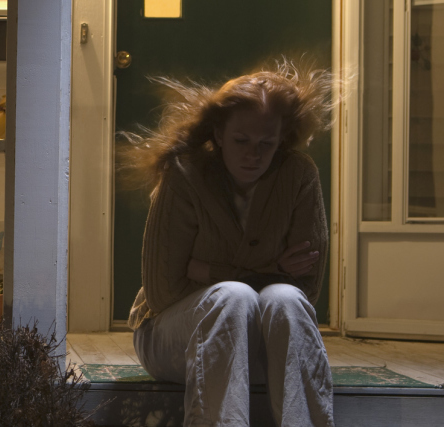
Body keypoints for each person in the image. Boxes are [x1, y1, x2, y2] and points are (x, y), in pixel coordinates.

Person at [122, 60, 336, 426]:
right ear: (219, 133)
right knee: (233, 297)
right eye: (241, 141)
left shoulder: (299, 175)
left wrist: (208, 269)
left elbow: (306, 289)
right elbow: (163, 292)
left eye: (266, 144)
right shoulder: (184, 173)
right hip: (172, 339)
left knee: (284, 299)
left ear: (281, 139)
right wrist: (273, 269)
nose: (253, 154)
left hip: (262, 346)